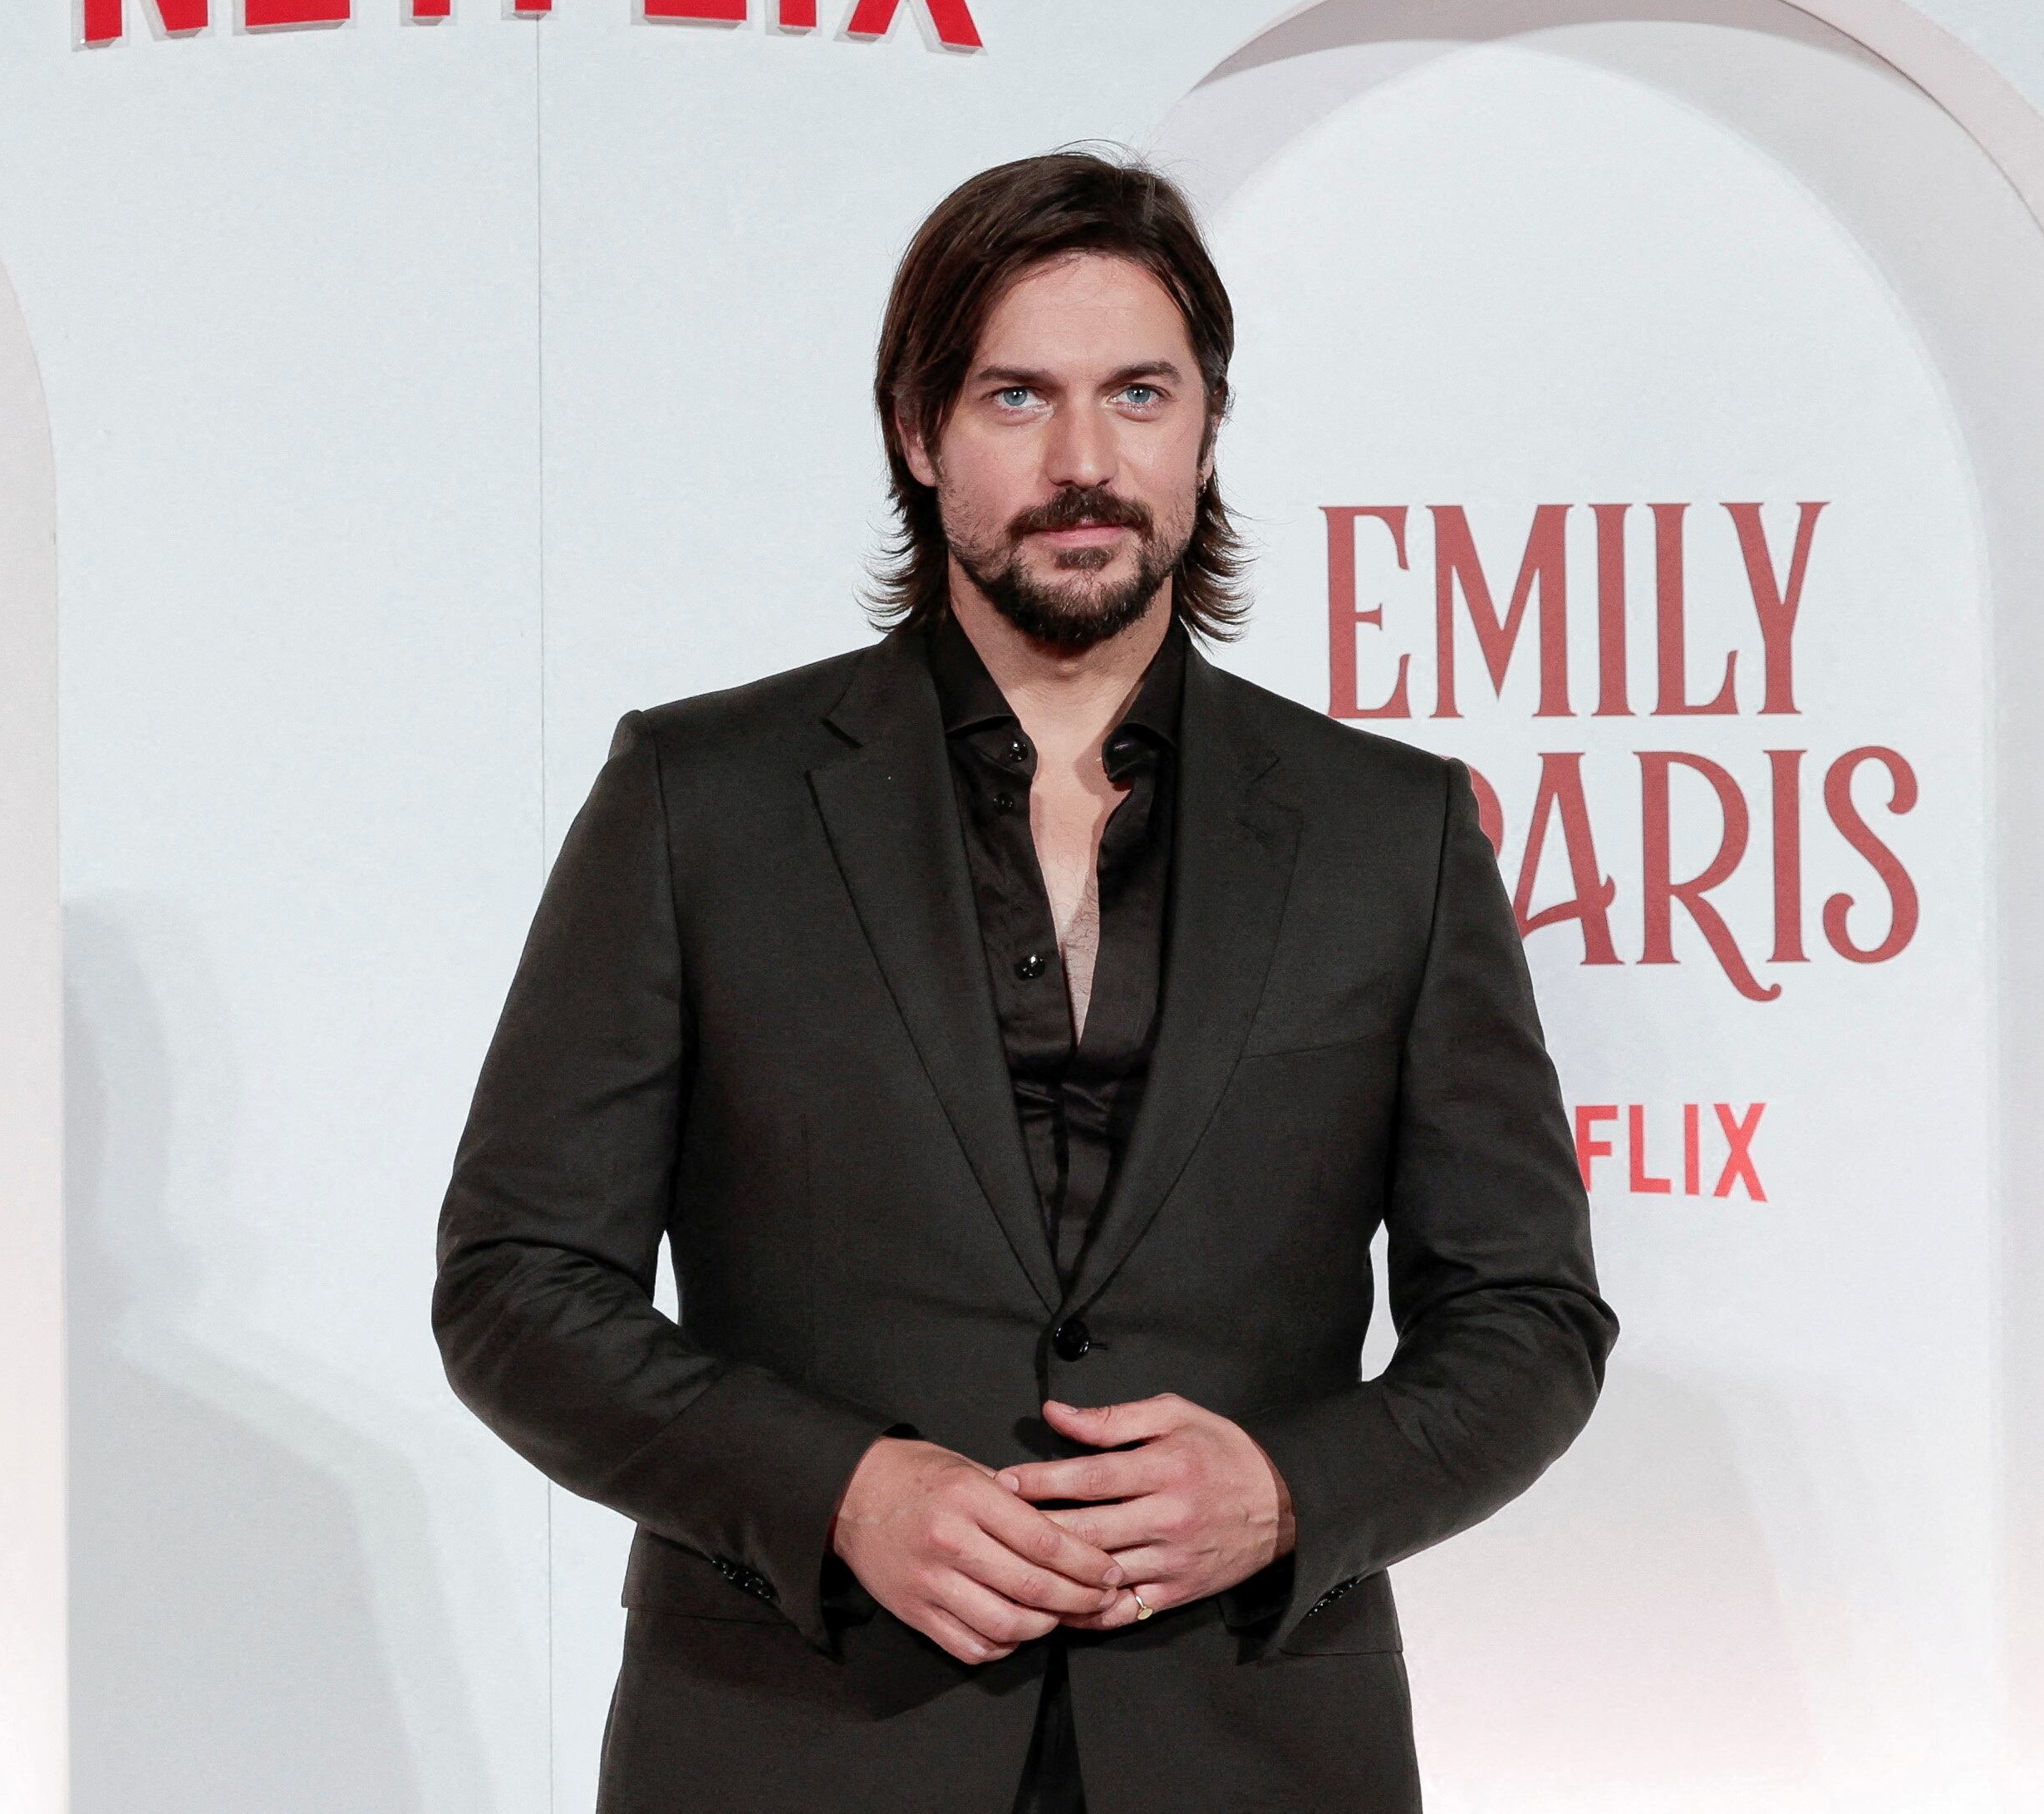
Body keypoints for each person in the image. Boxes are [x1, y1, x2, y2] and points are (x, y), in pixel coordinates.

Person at [432, 151, 1614, 1812]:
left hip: (1250, 1744)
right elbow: (517, 1283)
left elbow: (1525, 1319)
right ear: (918, 437)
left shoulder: (1387, 831)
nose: (1082, 461)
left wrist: (1282, 1489)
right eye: (1014, 397)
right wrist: (837, 1492)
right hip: (795, 1738)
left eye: (1137, 393)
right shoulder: (701, 797)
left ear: (1202, 429)